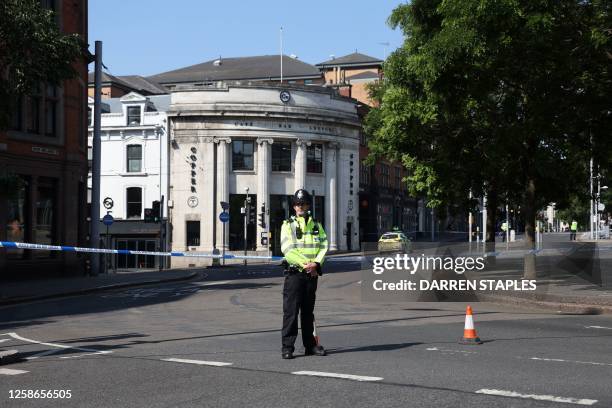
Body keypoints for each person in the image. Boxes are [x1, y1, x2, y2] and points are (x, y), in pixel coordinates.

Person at [280, 189, 328, 359]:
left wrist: (316, 263)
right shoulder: (288, 225)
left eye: (304, 203)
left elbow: (324, 246)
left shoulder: (316, 225)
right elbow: (287, 250)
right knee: (291, 312)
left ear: (308, 205)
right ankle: (287, 347)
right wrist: (305, 264)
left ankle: (311, 346)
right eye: (298, 204)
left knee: (308, 312)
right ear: (294, 206)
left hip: (311, 274)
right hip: (295, 274)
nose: (301, 206)